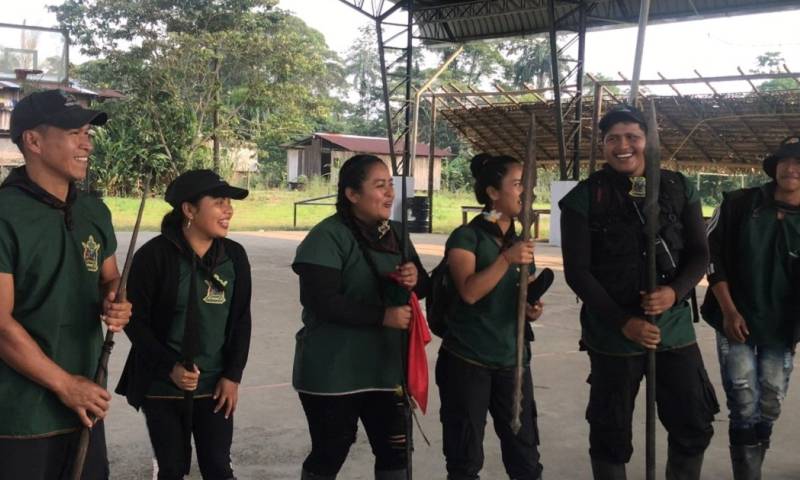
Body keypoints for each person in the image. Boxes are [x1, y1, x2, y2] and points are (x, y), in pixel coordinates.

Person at [559, 104, 718, 480]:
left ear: (649, 140)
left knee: (693, 424)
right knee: (609, 432)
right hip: (612, 335)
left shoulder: (678, 187)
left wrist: (674, 292)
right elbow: (577, 272)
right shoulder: (584, 197)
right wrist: (623, 321)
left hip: (674, 329)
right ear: (603, 146)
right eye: (613, 139)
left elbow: (699, 253)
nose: (623, 145)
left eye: (632, 136)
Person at [0, 89, 132, 479]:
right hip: (20, 415)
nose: (86, 143)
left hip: (85, 401)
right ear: (34, 141)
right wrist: (64, 384)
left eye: (88, 133)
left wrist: (116, 299)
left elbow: (109, 278)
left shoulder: (93, 209)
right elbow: (1, 324)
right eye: (74, 132)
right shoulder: (6, 214)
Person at [292, 154, 430, 480]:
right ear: (352, 194)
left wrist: (414, 278)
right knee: (331, 450)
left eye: (391, 186)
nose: (389, 194)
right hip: (333, 372)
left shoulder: (396, 233)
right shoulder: (327, 236)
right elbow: (321, 300)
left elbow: (422, 285)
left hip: (386, 369)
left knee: (396, 453)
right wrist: (383, 316)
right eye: (379, 186)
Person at [115, 169, 252, 480]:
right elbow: (135, 322)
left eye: (229, 203)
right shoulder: (154, 257)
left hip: (215, 385)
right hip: (162, 385)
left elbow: (241, 319)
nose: (228, 209)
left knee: (218, 467)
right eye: (218, 202)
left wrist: (233, 375)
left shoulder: (235, 256)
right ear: (189, 210)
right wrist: (170, 367)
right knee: (173, 468)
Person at [436, 153, 544, 480]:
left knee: (525, 456)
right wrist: (506, 260)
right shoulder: (466, 238)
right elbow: (469, 292)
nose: (526, 192)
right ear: (493, 193)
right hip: (469, 360)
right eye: (517, 184)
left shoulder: (519, 239)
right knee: (465, 458)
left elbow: (519, 292)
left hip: (513, 360)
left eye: (529, 185)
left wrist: (531, 309)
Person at [702, 136, 800, 479]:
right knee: (743, 398)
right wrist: (728, 310)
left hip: (781, 326)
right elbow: (710, 255)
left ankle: (756, 457)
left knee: (770, 400)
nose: (792, 168)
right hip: (735, 318)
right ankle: (747, 474)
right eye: (786, 160)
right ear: (775, 166)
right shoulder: (738, 203)